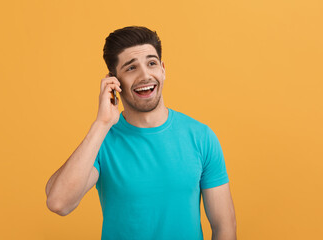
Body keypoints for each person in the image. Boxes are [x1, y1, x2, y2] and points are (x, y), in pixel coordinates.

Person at [45, 26, 237, 240]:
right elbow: (58, 203)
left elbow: (224, 226)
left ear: (163, 69)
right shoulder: (102, 141)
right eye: (131, 68)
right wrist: (101, 124)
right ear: (114, 82)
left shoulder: (201, 137)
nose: (145, 75)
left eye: (151, 63)